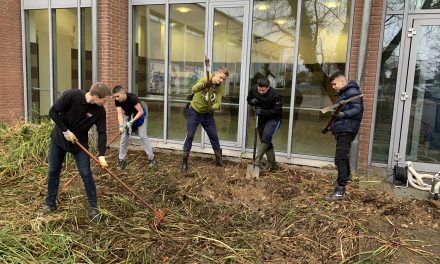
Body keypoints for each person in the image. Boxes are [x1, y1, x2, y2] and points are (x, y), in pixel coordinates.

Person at [42, 82, 111, 219]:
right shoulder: (72, 96)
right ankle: (50, 204)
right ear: (96, 97)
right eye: (104, 99)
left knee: (86, 173)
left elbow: (102, 132)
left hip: (79, 143)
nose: (106, 102)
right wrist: (65, 131)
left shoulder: (99, 111)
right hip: (60, 139)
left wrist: (102, 154)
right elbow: (53, 112)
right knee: (53, 171)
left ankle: (93, 208)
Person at [181, 67, 229, 173]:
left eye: (223, 79)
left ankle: (218, 159)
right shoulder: (205, 79)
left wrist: (213, 107)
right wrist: (203, 85)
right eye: (220, 77)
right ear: (216, 73)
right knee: (190, 135)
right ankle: (184, 162)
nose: (221, 81)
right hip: (195, 112)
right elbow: (194, 89)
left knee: (214, 137)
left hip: (208, 114)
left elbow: (218, 103)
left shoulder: (220, 87)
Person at [326, 72, 364, 202]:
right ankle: (346, 178)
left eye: (334, 84)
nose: (333, 87)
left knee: (340, 158)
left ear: (342, 82)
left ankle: (340, 189)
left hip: (347, 129)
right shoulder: (344, 94)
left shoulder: (352, 92)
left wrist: (343, 115)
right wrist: (333, 126)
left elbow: (357, 109)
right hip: (344, 128)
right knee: (343, 156)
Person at [112, 85, 156, 170]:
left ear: (123, 92)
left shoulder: (132, 97)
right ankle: (121, 160)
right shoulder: (117, 101)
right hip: (128, 115)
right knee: (123, 138)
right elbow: (119, 113)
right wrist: (121, 126)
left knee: (143, 136)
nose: (116, 98)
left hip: (139, 115)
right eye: (115, 97)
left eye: (117, 96)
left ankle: (152, 158)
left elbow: (141, 111)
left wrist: (131, 122)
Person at [247, 78, 283, 170]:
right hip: (261, 119)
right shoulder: (253, 89)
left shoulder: (275, 95)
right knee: (265, 140)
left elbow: (276, 111)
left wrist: (262, 111)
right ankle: (273, 165)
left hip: (274, 118)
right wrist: (252, 102)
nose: (261, 92)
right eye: (259, 90)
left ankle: (257, 160)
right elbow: (249, 99)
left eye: (263, 90)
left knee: (266, 135)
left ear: (268, 87)